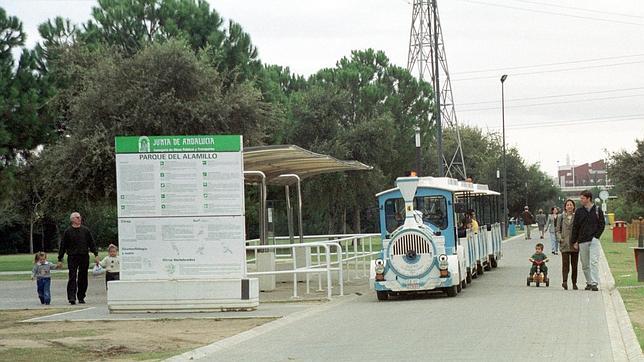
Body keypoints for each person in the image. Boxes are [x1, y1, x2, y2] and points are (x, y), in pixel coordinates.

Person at [57, 212, 100, 304]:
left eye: (80, 217)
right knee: (72, 276)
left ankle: (81, 296)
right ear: (72, 219)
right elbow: (63, 246)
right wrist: (60, 259)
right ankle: (71, 297)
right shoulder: (68, 231)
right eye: (77, 217)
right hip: (72, 256)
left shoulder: (85, 230)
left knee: (83, 277)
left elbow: (91, 243)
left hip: (84, 256)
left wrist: (96, 254)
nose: (79, 219)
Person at [571, 190, 605, 291]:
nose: (581, 200)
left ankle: (594, 283)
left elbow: (602, 224)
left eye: (582, 198)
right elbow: (575, 227)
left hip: (594, 240)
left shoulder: (597, 210)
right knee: (585, 263)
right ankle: (589, 282)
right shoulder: (579, 211)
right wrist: (574, 241)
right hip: (582, 241)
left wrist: (596, 237)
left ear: (588, 198)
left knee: (593, 261)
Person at [557, 199, 579, 290]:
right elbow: (557, 229)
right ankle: (564, 281)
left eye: (571, 205)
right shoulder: (561, 217)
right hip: (564, 243)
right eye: (568, 205)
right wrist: (560, 239)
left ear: (573, 207)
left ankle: (574, 283)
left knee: (574, 265)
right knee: (565, 264)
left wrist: (577, 241)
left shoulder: (576, 217)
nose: (569, 206)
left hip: (574, 244)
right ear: (565, 207)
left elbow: (579, 229)